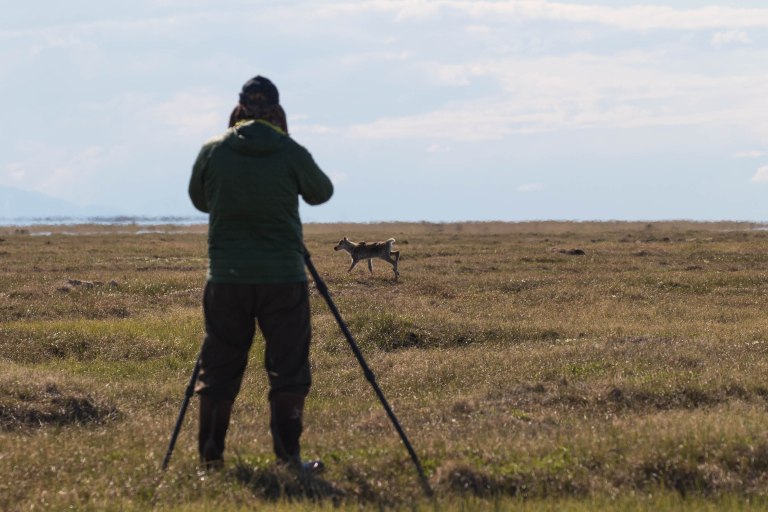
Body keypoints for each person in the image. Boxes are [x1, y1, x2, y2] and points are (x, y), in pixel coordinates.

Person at [188, 75, 333, 472]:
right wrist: (283, 138)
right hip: (283, 277)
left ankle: (210, 462)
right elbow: (322, 192)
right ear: (276, 109)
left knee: (218, 367)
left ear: (238, 108)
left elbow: (200, 200)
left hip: (226, 278)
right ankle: (288, 460)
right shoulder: (289, 150)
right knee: (289, 368)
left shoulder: (213, 151)